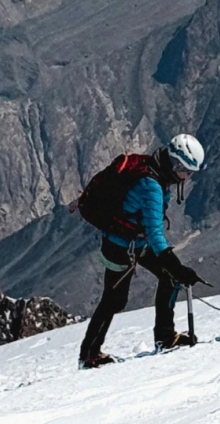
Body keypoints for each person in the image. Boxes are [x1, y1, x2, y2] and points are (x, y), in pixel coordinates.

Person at [78, 134, 205, 369]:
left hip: (131, 242)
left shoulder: (153, 169)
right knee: (114, 299)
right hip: (121, 245)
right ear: (176, 165)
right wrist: (178, 267)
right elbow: (156, 235)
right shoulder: (152, 187)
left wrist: (175, 269)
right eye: (187, 171)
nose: (187, 177)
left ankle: (166, 337)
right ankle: (89, 354)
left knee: (167, 277)